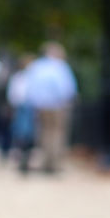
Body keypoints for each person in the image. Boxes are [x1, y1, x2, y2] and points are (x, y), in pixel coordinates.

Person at [20, 42, 78, 174]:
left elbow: (30, 87)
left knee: (44, 133)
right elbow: (67, 88)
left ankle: (46, 162)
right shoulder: (60, 67)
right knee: (57, 133)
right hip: (57, 105)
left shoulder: (37, 66)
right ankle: (54, 163)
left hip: (40, 105)